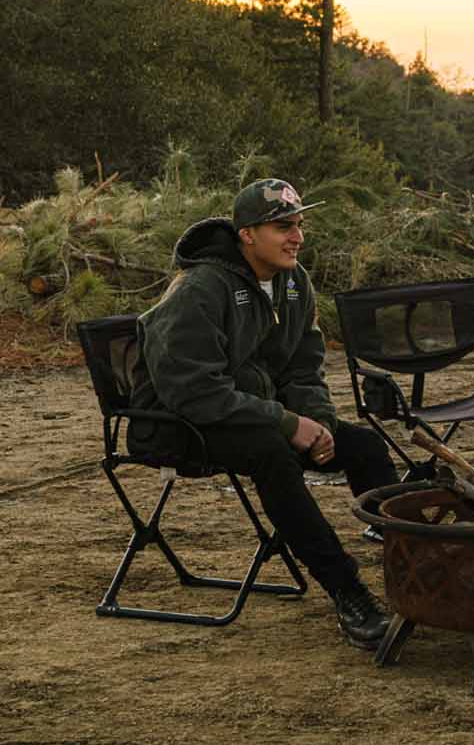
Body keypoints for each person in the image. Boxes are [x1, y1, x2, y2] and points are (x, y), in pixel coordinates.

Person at [130, 177, 398, 650]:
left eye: (298, 225)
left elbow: (303, 367)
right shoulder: (199, 289)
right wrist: (288, 424)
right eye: (281, 227)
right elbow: (194, 393)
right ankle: (349, 594)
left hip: (246, 413)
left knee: (366, 446)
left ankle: (416, 569)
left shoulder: (294, 284)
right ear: (246, 235)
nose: (295, 237)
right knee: (272, 453)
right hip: (176, 425)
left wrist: (322, 425)